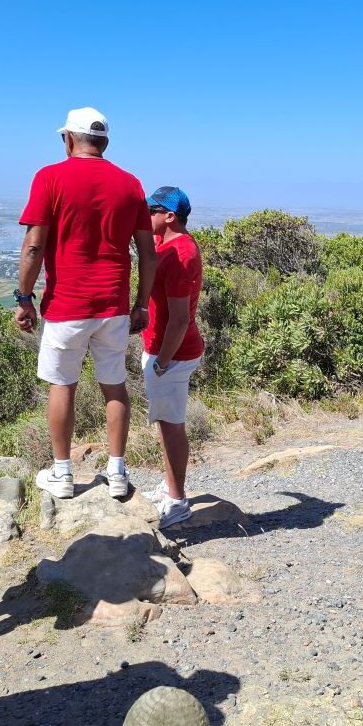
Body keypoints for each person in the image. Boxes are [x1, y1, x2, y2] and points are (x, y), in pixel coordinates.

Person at [15, 107, 156, 499]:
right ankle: (117, 472)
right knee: (115, 385)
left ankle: (62, 475)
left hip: (67, 304)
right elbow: (147, 253)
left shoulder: (50, 177)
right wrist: (141, 303)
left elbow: (34, 246)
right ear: (104, 142)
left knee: (62, 385)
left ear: (69, 139)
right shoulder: (130, 184)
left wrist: (24, 298)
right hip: (113, 304)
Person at [139, 187, 205, 528]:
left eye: (152, 209)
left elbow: (180, 319)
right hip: (167, 350)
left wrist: (162, 361)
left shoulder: (180, 253)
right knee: (166, 425)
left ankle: (178, 502)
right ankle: (169, 487)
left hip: (173, 355)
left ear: (170, 216)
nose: (146, 214)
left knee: (171, 426)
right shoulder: (169, 247)